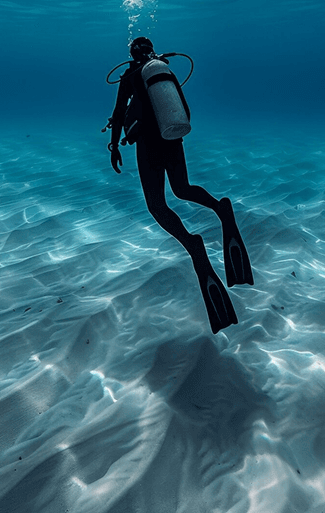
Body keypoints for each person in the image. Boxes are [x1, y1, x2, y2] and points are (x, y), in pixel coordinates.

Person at [107, 37, 253, 334]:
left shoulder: (132, 75)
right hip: (172, 138)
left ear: (131, 54)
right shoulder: (163, 70)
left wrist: (113, 144)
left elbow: (120, 110)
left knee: (157, 206)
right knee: (182, 188)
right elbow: (183, 109)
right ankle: (220, 207)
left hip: (148, 144)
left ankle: (192, 244)